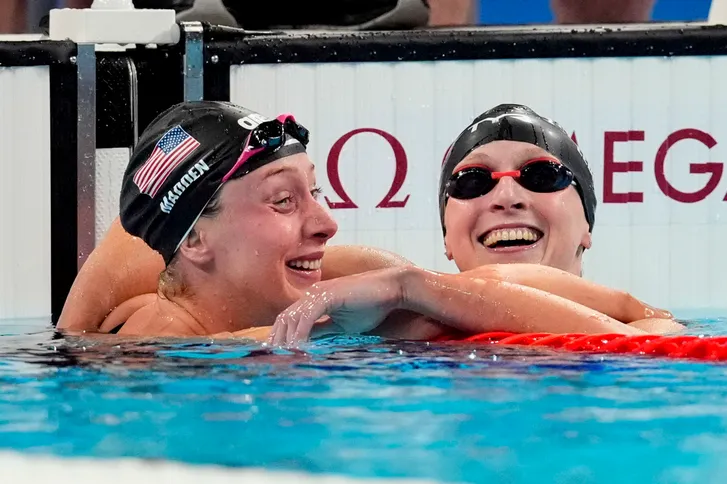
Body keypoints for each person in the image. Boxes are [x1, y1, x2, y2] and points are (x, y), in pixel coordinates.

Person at [58, 101, 679, 342]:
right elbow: (138, 228)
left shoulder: (326, 281)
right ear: (194, 239)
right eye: (284, 200)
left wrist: (411, 290)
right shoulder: (159, 350)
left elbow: (461, 293)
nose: (327, 222)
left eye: (316, 192)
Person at [269, 103, 683, 344]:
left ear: (587, 224)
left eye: (541, 176)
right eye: (472, 182)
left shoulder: (650, 327)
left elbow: (641, 347)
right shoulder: (389, 320)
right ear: (447, 238)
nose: (506, 197)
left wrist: (409, 287)